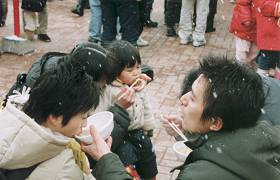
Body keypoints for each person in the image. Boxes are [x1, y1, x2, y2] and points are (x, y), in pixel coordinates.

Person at [81, 55, 280, 180]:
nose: (182, 99)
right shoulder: (262, 138)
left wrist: (106, 160)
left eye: (192, 98)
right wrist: (189, 133)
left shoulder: (199, 175)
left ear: (215, 122)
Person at [0, 61, 100, 179]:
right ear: (55, 118)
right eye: (83, 117)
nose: (85, 124)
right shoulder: (64, 169)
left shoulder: (7, 115)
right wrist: (103, 160)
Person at [106, 40, 157, 179]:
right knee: (127, 163)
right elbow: (106, 115)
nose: (136, 73)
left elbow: (146, 107)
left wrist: (149, 128)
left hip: (139, 132)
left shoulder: (139, 86)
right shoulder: (110, 90)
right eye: (129, 70)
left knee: (149, 159)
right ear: (115, 73)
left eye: (138, 67)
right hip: (121, 138)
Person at [253, 0, 280, 79]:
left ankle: (277, 86)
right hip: (269, 36)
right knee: (265, 63)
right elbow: (263, 5)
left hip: (273, 35)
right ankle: (260, 85)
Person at [229, 0, 258, 66]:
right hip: (244, 28)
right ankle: (239, 69)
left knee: (253, 54)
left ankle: (249, 68)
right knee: (242, 53)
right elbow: (242, 4)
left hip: (257, 28)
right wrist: (246, 18)